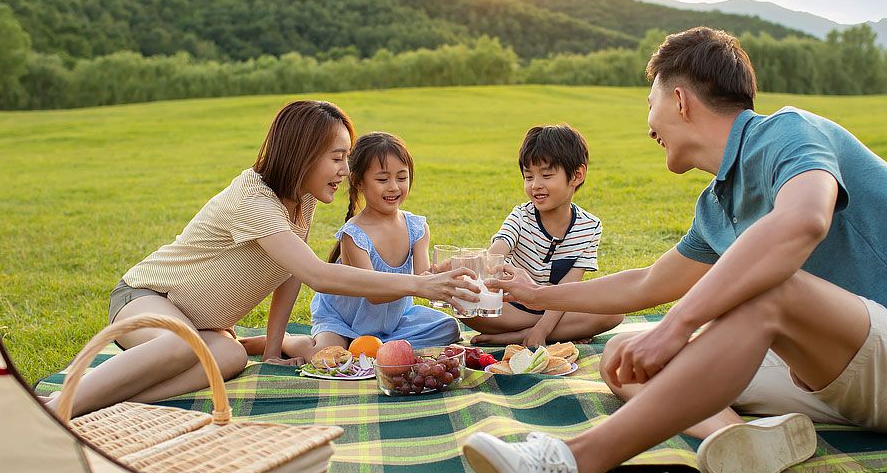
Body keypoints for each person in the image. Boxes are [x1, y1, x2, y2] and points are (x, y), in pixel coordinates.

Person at [464, 27, 887, 473]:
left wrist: (678, 325)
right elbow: (645, 284)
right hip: (825, 378)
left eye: (652, 103)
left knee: (767, 291)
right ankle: (740, 439)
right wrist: (538, 293)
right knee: (623, 356)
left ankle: (573, 466)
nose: (649, 124)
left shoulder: (788, 133)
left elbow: (804, 221)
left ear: (681, 100)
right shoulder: (718, 203)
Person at [42, 100, 475, 418]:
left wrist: (271, 349)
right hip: (147, 295)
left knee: (229, 360)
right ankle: (55, 406)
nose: (345, 171)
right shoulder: (254, 197)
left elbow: (288, 273)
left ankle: (104, 400)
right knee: (180, 343)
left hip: (204, 325)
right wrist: (420, 284)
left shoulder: (299, 202)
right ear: (304, 153)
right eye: (338, 157)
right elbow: (315, 275)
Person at [243, 131, 461, 356]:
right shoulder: (354, 235)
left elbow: (422, 276)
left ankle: (376, 348)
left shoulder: (416, 227)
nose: (394, 187)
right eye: (382, 179)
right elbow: (374, 294)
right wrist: (423, 283)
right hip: (344, 321)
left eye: (402, 177)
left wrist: (440, 273)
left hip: (391, 321)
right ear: (358, 182)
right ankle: (286, 342)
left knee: (448, 329)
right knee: (328, 354)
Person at [461, 124, 623, 347]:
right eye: (529, 177)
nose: (536, 185)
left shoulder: (590, 227)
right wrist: (478, 268)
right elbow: (497, 251)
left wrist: (541, 331)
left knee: (614, 312)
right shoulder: (521, 216)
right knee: (466, 308)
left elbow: (568, 288)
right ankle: (562, 332)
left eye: (546, 175)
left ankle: (517, 336)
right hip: (513, 307)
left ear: (577, 175)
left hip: (558, 306)